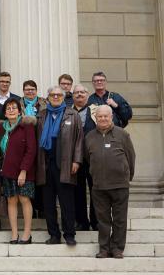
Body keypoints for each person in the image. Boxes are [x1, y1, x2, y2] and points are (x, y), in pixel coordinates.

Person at [85, 105, 135, 259]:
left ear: (111, 116)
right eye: (100, 116)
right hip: (99, 186)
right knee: (103, 220)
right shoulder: (89, 137)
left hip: (120, 184)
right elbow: (88, 158)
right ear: (96, 118)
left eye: (106, 116)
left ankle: (118, 248)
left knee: (120, 219)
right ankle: (104, 248)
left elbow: (131, 158)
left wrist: (127, 176)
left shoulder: (123, 134)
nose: (103, 119)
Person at [36, 86, 83, 246]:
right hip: (46, 165)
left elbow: (79, 140)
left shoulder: (73, 114)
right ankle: (54, 235)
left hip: (65, 164)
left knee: (67, 202)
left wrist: (76, 160)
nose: (55, 97)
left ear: (63, 97)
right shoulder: (41, 115)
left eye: (58, 95)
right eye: (52, 95)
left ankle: (69, 234)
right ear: (48, 97)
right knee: (48, 204)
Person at [0, 98, 37, 244]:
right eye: (8, 108)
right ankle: (14, 234)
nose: (11, 110)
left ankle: (27, 234)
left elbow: (31, 150)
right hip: (7, 170)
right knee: (11, 200)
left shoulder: (26, 126)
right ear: (5, 113)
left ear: (20, 111)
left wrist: (24, 170)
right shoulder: (1, 128)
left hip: (24, 171)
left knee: (24, 199)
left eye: (14, 108)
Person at [72, 84, 98, 231]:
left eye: (82, 92)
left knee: (96, 190)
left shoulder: (95, 110)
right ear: (73, 95)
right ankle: (81, 221)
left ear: (88, 95)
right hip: (75, 159)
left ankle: (96, 221)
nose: (79, 95)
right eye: (76, 93)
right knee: (77, 191)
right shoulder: (67, 111)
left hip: (93, 158)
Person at [19, 80, 47, 219]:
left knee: (41, 176)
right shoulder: (17, 104)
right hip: (24, 144)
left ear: (36, 90)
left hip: (42, 143)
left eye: (32, 89)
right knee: (28, 176)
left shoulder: (44, 103)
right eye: (27, 89)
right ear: (23, 91)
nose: (30, 92)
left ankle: (41, 208)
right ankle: (30, 208)